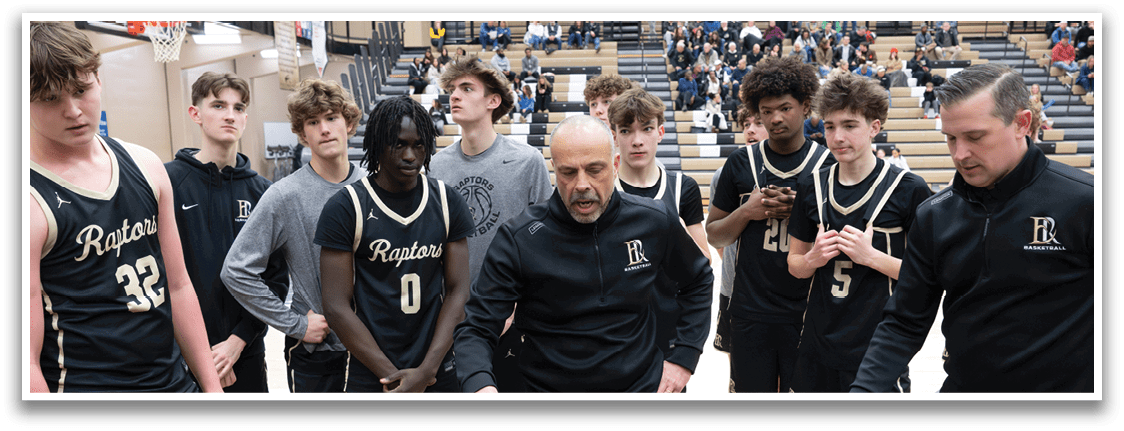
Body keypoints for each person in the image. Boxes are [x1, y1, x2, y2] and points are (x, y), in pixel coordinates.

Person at [852, 63, 1093, 393]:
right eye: (950, 138)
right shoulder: (934, 215)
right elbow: (904, 322)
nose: (960, 154)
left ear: (1022, 123)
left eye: (975, 137)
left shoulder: (1085, 202)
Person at [453, 115, 714, 393]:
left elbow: (698, 280)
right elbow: (476, 328)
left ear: (615, 166)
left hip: (641, 387)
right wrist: (480, 385)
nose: (581, 184)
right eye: (568, 172)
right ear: (554, 169)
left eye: (594, 170)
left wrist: (684, 358)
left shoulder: (654, 219)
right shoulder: (518, 238)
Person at [29, 21, 221, 393]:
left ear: (98, 79)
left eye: (81, 90)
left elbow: (179, 286)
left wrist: (212, 389)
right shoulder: (29, 202)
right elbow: (25, 360)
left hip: (175, 384)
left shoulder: (146, 165)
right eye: (50, 98)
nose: (73, 110)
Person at [786, 72, 931, 392]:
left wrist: (873, 257)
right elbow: (794, 265)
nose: (837, 136)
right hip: (817, 345)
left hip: (877, 349)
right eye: (829, 126)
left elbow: (930, 279)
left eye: (849, 125)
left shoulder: (909, 189)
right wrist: (812, 258)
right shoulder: (811, 185)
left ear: (875, 127)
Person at [316, 96, 472, 393]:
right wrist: (394, 377)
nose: (411, 155)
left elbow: (458, 291)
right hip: (372, 370)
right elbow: (336, 306)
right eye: (399, 144)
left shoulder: (448, 201)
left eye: (419, 145)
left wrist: (426, 370)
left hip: (437, 367)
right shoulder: (346, 207)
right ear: (378, 145)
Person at [222, 78, 366, 393]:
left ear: (349, 124)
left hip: (376, 349)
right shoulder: (284, 196)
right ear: (302, 134)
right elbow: (236, 270)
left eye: (331, 118)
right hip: (319, 356)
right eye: (313, 122)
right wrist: (295, 324)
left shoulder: (374, 187)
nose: (325, 129)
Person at [705, 55, 834, 393]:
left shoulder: (828, 164)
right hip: (751, 310)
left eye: (785, 108)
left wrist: (804, 213)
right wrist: (746, 212)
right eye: (766, 111)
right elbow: (714, 233)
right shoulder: (739, 162)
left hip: (809, 311)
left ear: (806, 106)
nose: (775, 118)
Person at [432, 56, 553, 392]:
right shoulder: (437, 167)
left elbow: (545, 242)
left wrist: (517, 307)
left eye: (466, 88)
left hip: (515, 320)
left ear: (492, 101)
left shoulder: (527, 161)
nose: (454, 95)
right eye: (453, 89)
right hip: (453, 320)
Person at [164, 72, 289, 392]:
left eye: (238, 107)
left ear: (246, 117)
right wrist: (198, 354)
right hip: (181, 357)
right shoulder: (166, 183)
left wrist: (238, 341)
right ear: (196, 114)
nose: (230, 115)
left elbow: (274, 280)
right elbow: (162, 278)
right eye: (218, 105)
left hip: (245, 352)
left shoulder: (264, 192)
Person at [606, 88, 711, 384]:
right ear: (614, 136)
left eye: (646, 129)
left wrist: (676, 235)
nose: (637, 140)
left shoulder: (682, 187)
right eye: (626, 130)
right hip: (615, 333)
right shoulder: (604, 190)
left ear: (660, 132)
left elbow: (703, 263)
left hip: (668, 331)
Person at [710, 106, 769, 369]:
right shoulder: (724, 174)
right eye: (746, 124)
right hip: (734, 289)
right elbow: (718, 236)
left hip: (777, 292)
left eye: (758, 123)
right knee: (740, 370)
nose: (750, 129)